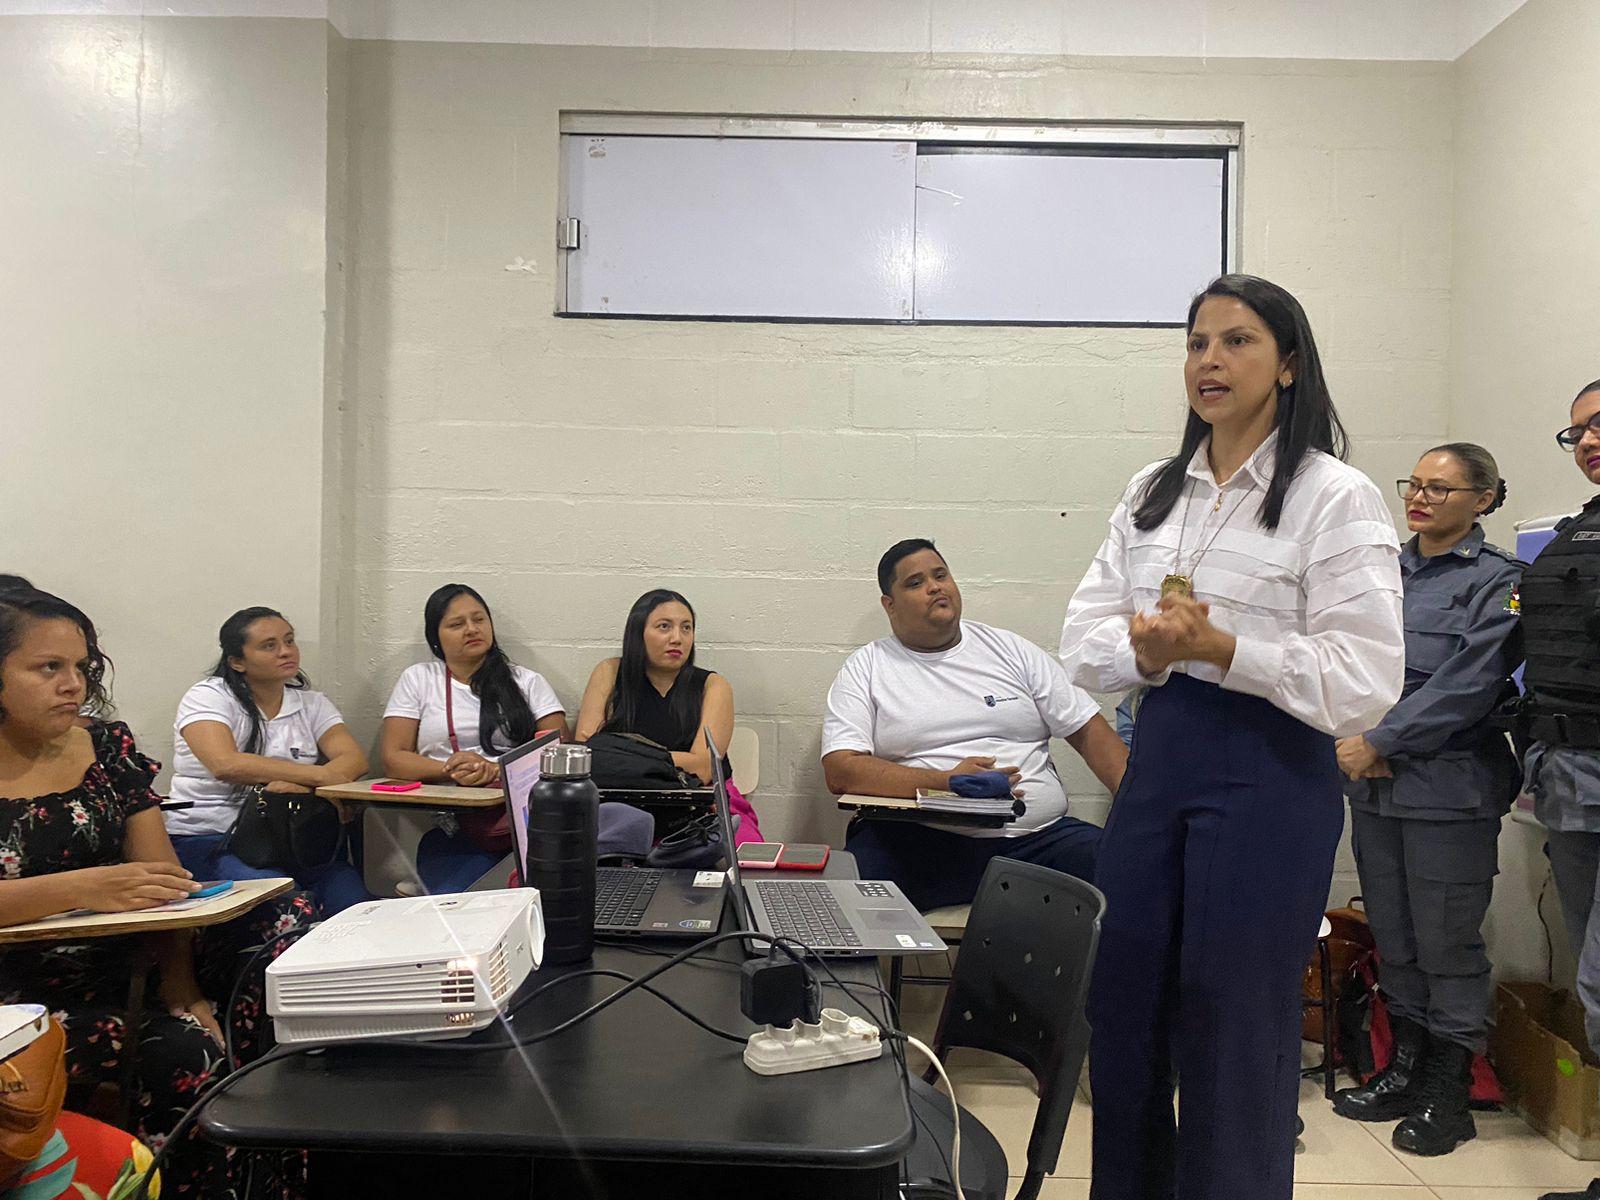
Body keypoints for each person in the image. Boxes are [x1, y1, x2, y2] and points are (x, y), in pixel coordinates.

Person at [1059, 274, 1405, 1200]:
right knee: (1123, 1005)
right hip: (1160, 756)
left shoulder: (1335, 497)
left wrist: (1225, 649)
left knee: (1234, 1024)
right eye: (1197, 342)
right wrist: (1148, 648)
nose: (1209, 361)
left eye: (1238, 341)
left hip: (1271, 772)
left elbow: (1367, 679)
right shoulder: (1153, 491)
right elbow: (1081, 641)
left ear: (1288, 366)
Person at [0, 588, 313, 1197]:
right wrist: (83, 886)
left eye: (82, 667)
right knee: (182, 1054)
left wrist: (179, 980)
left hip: (126, 953)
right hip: (21, 997)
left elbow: (163, 879)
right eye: (49, 668)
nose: (74, 684)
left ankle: (272, 1168)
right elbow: (107, 887)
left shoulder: (105, 746)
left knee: (286, 927)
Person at [1329, 444, 1523, 1156]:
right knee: (1398, 937)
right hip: (1375, 788)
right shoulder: (1379, 571)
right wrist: (1354, 738)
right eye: (1415, 484)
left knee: (1446, 944)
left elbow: (1469, 683)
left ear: (1484, 498)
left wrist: (1380, 740)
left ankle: (1452, 1089)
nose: (1422, 498)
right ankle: (1402, 1069)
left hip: (1447, 788)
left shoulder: (1498, 581)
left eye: (1442, 489)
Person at [822, 540, 1126, 909]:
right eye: (915, 583)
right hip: (922, 842)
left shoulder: (1011, 651)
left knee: (1130, 875)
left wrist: (1141, 817)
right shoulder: (867, 667)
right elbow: (841, 770)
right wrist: (948, 783)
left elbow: (1091, 732)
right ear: (890, 605)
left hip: (1037, 842)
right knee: (851, 888)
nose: (935, 587)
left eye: (940, 575)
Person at [165, 606, 370, 914]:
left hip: (294, 839)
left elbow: (353, 759)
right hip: (212, 838)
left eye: (289, 641)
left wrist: (300, 786)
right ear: (236, 661)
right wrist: (315, 777)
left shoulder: (312, 703)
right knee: (289, 907)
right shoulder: (208, 696)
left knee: (355, 905)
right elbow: (225, 764)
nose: (286, 651)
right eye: (269, 646)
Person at [1523, 381, 1600, 1200]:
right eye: (1574, 431)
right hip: (1571, 776)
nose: (1585, 441)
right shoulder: (1575, 535)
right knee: (1590, 976)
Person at [380, 584, 567, 892]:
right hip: (452, 825)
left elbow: (557, 750)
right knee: (459, 904)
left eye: (479, 620)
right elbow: (393, 758)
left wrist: (494, 770)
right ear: (435, 637)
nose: (471, 629)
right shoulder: (418, 679)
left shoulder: (526, 681)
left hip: (520, 825)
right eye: (456, 624)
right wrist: (450, 769)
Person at [575, 588, 762, 842]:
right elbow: (590, 757)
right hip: (621, 802)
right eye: (664, 627)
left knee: (747, 859)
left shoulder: (713, 685)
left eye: (686, 628)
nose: (677, 638)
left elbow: (705, 768)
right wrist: (675, 761)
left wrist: (624, 758)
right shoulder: (609, 672)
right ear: (637, 633)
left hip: (703, 801)